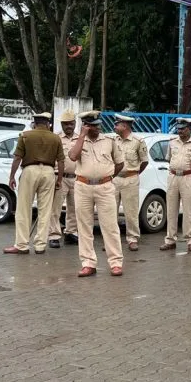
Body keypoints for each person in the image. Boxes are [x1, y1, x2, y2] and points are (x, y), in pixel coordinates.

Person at [69, 111, 124, 277]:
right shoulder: (78, 141)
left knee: (110, 226)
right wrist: (82, 136)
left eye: (98, 125)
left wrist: (106, 178)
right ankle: (88, 263)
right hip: (83, 186)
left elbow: (119, 163)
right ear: (85, 126)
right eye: (92, 126)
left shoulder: (109, 141)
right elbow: (72, 156)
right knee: (84, 226)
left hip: (105, 187)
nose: (96, 128)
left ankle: (115, 262)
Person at [4, 112, 64, 255]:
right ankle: (40, 245)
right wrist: (59, 179)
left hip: (30, 170)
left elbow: (17, 158)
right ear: (48, 123)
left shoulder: (25, 136)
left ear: (34, 123)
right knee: (45, 210)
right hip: (49, 172)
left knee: (24, 208)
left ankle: (22, 244)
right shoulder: (56, 138)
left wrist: (12, 176)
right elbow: (61, 161)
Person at [160, 118, 191, 252]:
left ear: (190, 128)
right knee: (171, 209)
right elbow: (169, 159)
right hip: (173, 176)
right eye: (179, 129)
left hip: (188, 177)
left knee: (189, 210)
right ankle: (170, 239)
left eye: (183, 129)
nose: (180, 131)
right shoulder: (172, 143)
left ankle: (190, 240)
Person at [112, 114, 149, 251]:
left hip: (130, 178)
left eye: (117, 124)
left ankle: (132, 239)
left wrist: (134, 173)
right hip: (115, 178)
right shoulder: (113, 140)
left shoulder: (138, 141)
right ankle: (112, 240)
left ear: (125, 126)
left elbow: (144, 161)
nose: (115, 126)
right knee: (111, 211)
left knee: (131, 211)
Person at [48, 110, 79, 248]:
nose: (69, 126)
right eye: (66, 124)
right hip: (59, 177)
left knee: (75, 208)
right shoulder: (55, 138)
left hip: (76, 177)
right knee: (55, 208)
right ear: (61, 124)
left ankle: (71, 232)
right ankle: (54, 235)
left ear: (75, 123)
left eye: (71, 124)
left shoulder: (80, 139)